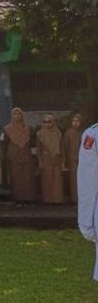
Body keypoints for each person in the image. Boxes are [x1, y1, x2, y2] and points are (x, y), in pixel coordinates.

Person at [77, 120, 98, 282]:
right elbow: (87, 180)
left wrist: (86, 224)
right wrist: (86, 221)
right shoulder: (93, 135)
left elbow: (87, 182)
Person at [3, 107, 37, 205]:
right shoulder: (7, 129)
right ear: (12, 116)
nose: (17, 116)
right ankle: (18, 199)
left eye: (19, 114)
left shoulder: (28, 128)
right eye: (15, 114)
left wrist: (34, 155)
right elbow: (5, 143)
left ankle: (28, 199)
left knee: (27, 178)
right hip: (14, 157)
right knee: (16, 178)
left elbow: (32, 142)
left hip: (26, 156)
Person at [36, 115, 65, 205]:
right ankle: (48, 200)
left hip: (57, 159)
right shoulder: (40, 134)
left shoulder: (58, 133)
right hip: (46, 159)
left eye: (49, 121)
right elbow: (38, 149)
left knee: (57, 180)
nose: (47, 124)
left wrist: (63, 161)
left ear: (53, 122)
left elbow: (62, 147)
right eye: (45, 122)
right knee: (47, 180)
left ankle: (58, 200)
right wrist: (40, 161)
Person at [64, 114, 85, 204]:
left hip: (84, 160)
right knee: (74, 180)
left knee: (84, 180)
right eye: (73, 121)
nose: (75, 123)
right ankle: (74, 199)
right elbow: (64, 147)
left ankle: (83, 198)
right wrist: (64, 160)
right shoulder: (68, 133)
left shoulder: (85, 132)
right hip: (72, 160)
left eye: (77, 121)